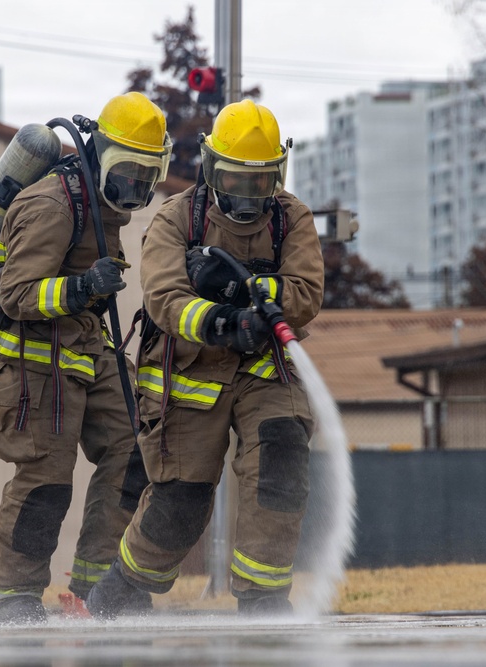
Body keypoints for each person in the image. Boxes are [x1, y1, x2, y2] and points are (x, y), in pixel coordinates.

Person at [86, 100, 324, 618]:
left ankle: (263, 598)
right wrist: (223, 322)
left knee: (281, 461)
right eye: (235, 180)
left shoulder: (292, 219)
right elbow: (164, 298)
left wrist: (246, 287)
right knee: (182, 498)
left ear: (277, 175)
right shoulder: (176, 219)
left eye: (260, 183)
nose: (247, 195)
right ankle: (123, 589)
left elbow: (306, 292)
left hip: (264, 369)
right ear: (213, 168)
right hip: (189, 371)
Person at [0, 91, 172, 625]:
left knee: (134, 450)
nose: (134, 185)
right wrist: (83, 286)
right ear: (100, 153)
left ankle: (98, 588)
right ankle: (11, 594)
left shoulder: (101, 204)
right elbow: (17, 294)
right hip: (34, 363)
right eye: (127, 170)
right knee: (47, 478)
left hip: (84, 350)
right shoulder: (53, 205)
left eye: (146, 175)